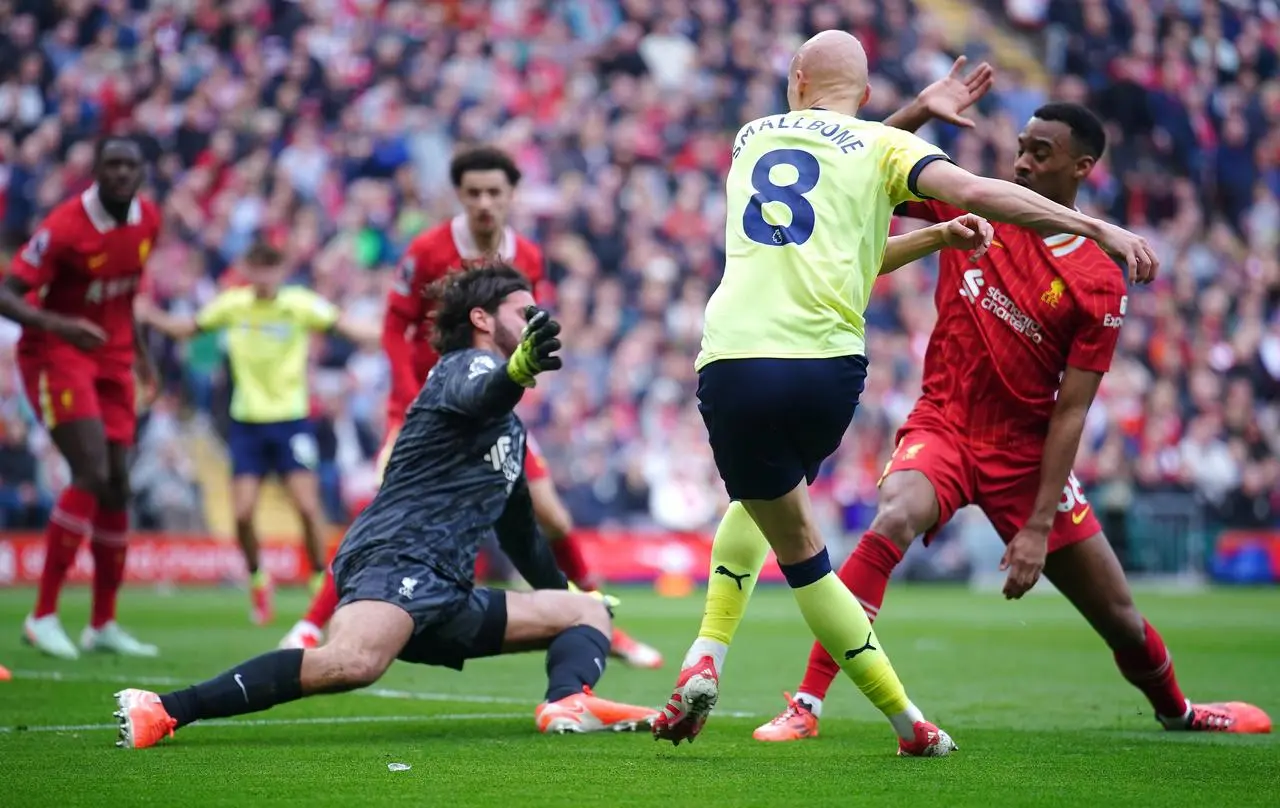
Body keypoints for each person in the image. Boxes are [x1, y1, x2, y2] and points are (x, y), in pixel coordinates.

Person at [652, 31, 1158, 753]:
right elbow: (962, 189)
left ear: (797, 79)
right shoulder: (877, 149)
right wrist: (1092, 223)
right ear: (862, 97)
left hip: (735, 358)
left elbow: (844, 170)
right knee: (774, 510)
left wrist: (919, 112)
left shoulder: (751, 138)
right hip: (827, 371)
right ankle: (882, 715)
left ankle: (756, 670)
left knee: (796, 546)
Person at [751, 95, 1273, 740]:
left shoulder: (1096, 279)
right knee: (893, 517)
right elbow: (849, 164)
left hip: (1026, 454)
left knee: (1120, 618)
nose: (1021, 160)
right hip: (942, 424)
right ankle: (807, 704)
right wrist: (918, 109)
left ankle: (1178, 711)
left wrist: (1037, 525)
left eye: (1040, 152)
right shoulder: (969, 200)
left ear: (1081, 167)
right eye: (1021, 146)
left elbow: (1072, 410)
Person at [113, 265, 659, 750]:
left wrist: (566, 591)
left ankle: (566, 703)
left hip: (447, 591)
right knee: (352, 664)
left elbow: (522, 537)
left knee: (589, 611)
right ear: (482, 319)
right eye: (522, 308)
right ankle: (163, 709)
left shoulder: (511, 434)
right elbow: (483, 392)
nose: (537, 314)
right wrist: (515, 372)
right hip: (396, 558)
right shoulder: (461, 367)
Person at [279, 146, 663, 670]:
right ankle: (310, 622)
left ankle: (598, 616)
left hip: (493, 402)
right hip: (430, 404)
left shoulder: (527, 255)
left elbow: (530, 325)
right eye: (473, 193)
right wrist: (405, 399)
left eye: (494, 193)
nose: (484, 202)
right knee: (387, 502)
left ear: (510, 197)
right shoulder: (429, 249)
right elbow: (396, 326)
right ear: (459, 196)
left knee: (550, 512)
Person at [136, 240, 378, 625]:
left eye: (272, 268)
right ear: (248, 270)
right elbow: (186, 328)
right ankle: (257, 578)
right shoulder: (233, 304)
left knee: (307, 506)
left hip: (291, 420)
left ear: (282, 270)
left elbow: (350, 328)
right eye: (258, 268)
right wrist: (148, 315)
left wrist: (397, 328)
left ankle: (319, 579)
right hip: (247, 422)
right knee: (243, 513)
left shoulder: (299, 303)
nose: (265, 276)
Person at [0, 136, 162, 660]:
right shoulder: (65, 227)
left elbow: (127, 292)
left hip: (113, 357)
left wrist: (142, 356)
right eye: (110, 164)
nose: (119, 174)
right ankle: (42, 615)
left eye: (128, 165)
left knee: (117, 486)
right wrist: (58, 324)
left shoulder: (147, 220)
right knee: (91, 471)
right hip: (57, 354)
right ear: (95, 170)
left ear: (140, 173)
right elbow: (7, 291)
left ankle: (102, 624)